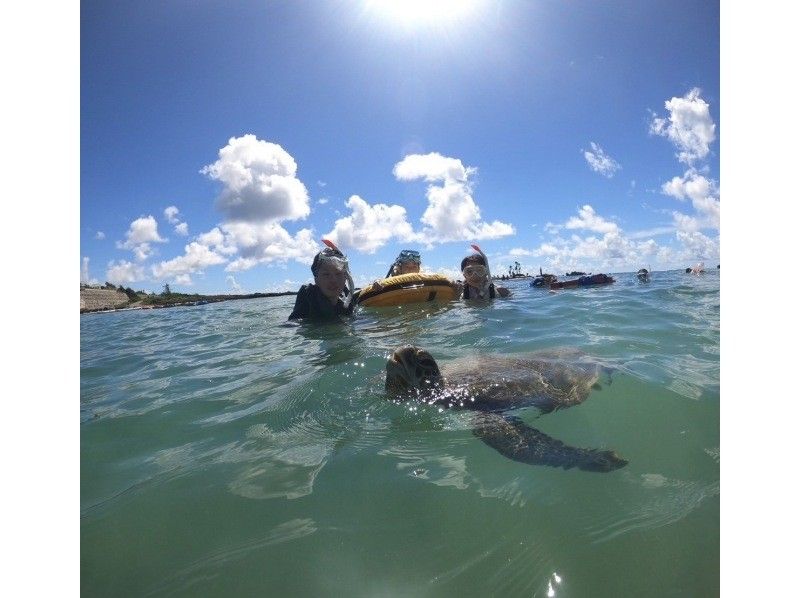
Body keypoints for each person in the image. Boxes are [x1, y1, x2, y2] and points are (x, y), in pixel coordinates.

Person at [288, 245, 356, 321]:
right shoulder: (308, 296)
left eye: (338, 274)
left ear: (346, 277)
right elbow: (292, 324)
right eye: (326, 274)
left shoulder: (347, 297)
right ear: (316, 280)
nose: (333, 280)